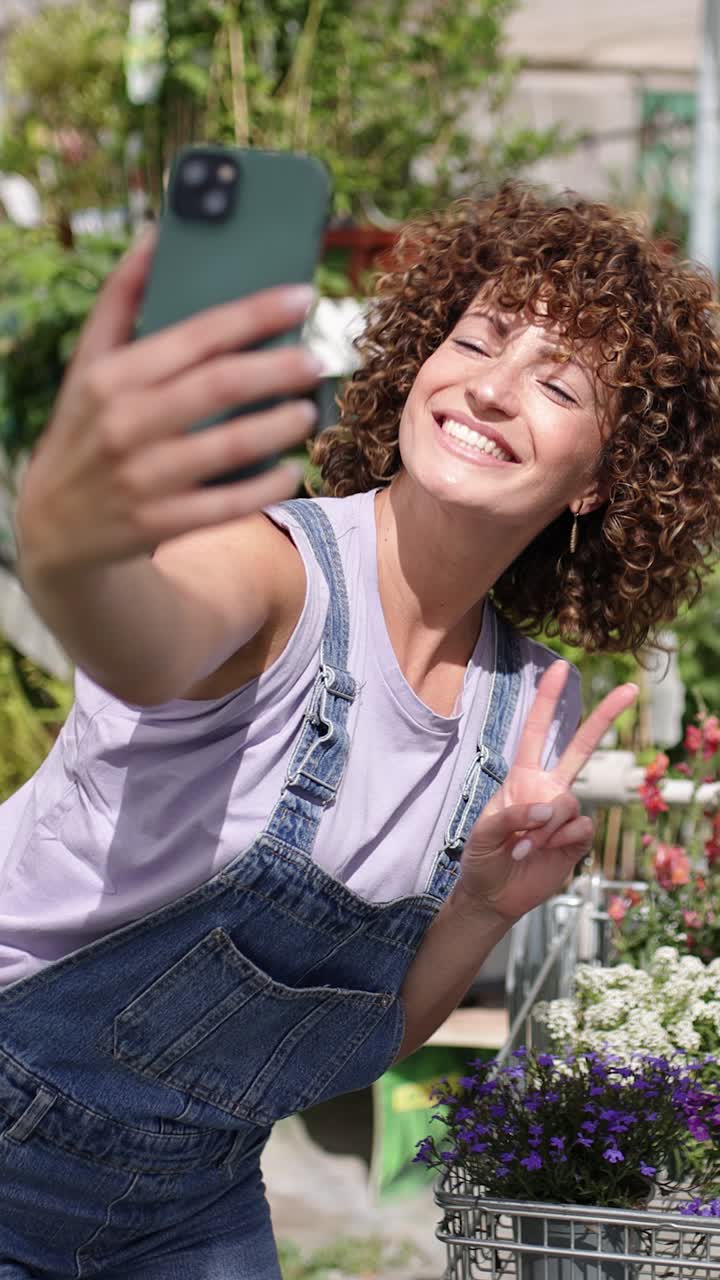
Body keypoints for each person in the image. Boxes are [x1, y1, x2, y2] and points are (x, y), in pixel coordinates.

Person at [0, 182, 718, 1278]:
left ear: (601, 480)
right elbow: (146, 634)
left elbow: (363, 1041)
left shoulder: (525, 712)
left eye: (558, 381)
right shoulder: (274, 571)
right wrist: (68, 550)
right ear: (418, 364)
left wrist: (483, 901)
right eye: (476, 340)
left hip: (191, 1204)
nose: (490, 386)